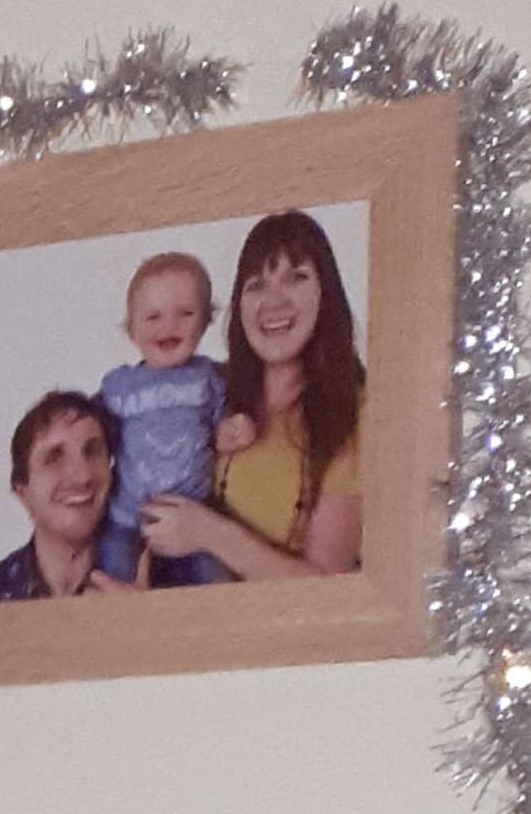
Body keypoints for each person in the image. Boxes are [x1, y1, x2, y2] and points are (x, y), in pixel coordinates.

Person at [137, 210, 366, 584]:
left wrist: (210, 533)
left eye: (297, 278)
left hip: (279, 637)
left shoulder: (357, 412)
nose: (273, 302)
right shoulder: (206, 387)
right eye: (256, 284)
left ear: (328, 294)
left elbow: (327, 591)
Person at [92, 251, 229, 588]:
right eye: (153, 317)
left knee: (215, 584)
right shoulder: (119, 387)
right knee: (110, 580)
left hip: (193, 514)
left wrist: (232, 431)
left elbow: (224, 421)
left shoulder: (208, 378)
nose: (169, 326)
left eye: (185, 313)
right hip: (127, 518)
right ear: (131, 330)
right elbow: (90, 428)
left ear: (206, 320)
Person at [0, 390, 138, 605]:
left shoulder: (152, 577)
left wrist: (141, 618)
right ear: (23, 493)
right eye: (54, 457)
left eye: (92, 451)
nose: (82, 476)